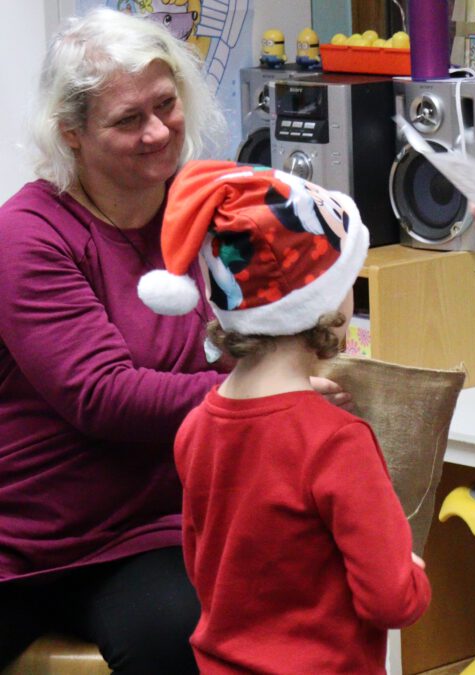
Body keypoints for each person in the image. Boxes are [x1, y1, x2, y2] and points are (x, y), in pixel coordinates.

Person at [0, 9, 350, 672]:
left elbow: (280, 319)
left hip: (152, 534)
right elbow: (104, 396)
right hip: (24, 542)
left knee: (193, 641)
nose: (158, 132)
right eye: (129, 120)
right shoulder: (28, 234)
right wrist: (257, 393)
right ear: (71, 133)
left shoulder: (213, 217)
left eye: (166, 105)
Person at [140, 161, 431, 674]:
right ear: (323, 305)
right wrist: (412, 576)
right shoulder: (337, 442)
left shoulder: (195, 428)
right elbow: (390, 601)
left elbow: (203, 567)